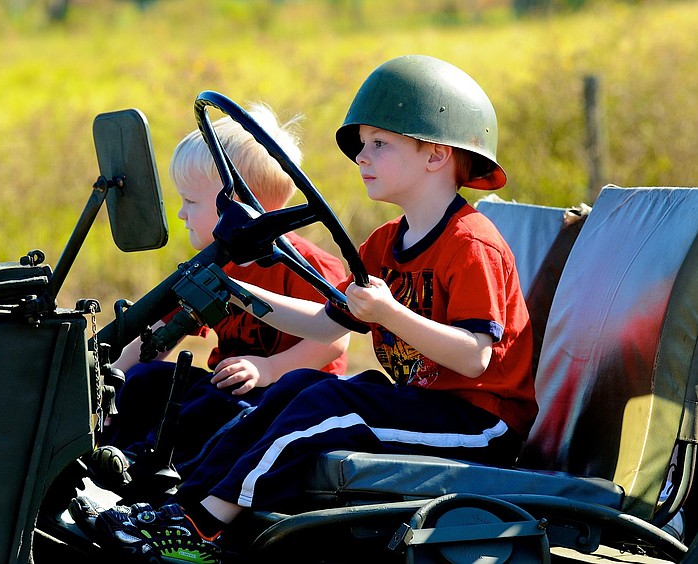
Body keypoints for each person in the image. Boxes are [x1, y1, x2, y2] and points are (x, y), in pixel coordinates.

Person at [72, 54, 537, 563]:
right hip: (423, 409)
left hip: (478, 425)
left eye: (380, 144)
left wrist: (390, 314)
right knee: (298, 388)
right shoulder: (384, 245)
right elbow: (324, 322)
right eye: (362, 145)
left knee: (328, 407)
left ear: (436, 156)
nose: (362, 157)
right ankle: (177, 510)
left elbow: (475, 358)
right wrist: (241, 294)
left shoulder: (472, 245)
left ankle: (204, 529)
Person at [86, 103, 350, 491]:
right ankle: (97, 454)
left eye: (190, 202)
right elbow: (157, 333)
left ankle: (141, 475)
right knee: (147, 380)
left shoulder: (306, 265)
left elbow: (335, 338)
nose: (181, 214)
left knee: (213, 405)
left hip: (286, 398)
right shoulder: (214, 265)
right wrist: (102, 384)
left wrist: (270, 369)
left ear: (239, 205)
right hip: (228, 384)